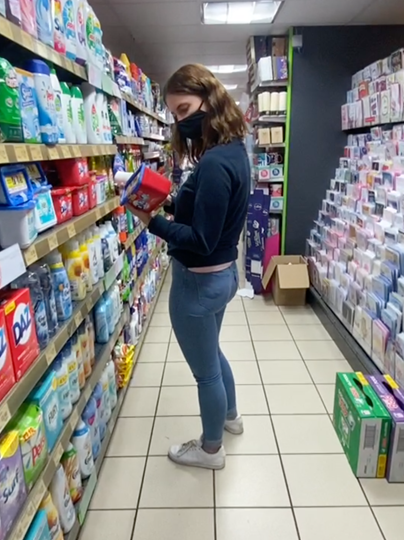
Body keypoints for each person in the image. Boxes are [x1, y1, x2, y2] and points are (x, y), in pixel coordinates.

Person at [127, 64, 250, 470]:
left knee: (205, 373)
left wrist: (152, 222)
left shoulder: (213, 163)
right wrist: (170, 203)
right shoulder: (234, 151)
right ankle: (231, 417)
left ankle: (211, 450)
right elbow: (209, 214)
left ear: (209, 100)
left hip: (197, 286)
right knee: (212, 353)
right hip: (223, 276)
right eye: (175, 114)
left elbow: (201, 239)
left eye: (184, 109)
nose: (181, 121)